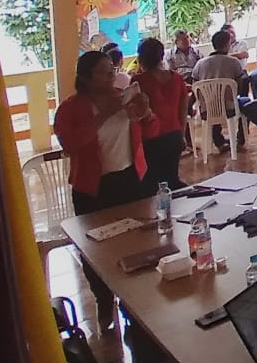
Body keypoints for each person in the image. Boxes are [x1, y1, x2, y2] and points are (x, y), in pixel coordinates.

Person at [53, 51, 153, 331]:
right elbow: (71, 144)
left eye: (112, 69)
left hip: (130, 179)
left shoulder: (124, 96)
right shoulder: (70, 109)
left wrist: (144, 111)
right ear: (86, 77)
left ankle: (133, 303)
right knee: (95, 250)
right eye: (103, 71)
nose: (111, 75)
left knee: (135, 242)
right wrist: (107, 112)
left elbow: (149, 126)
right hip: (93, 187)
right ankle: (104, 298)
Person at [130, 37, 190, 189]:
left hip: (151, 139)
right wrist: (182, 134)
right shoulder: (177, 78)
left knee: (152, 183)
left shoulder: (139, 81)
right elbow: (183, 109)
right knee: (172, 179)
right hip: (174, 134)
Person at [192, 29, 247, 151]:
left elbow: (195, 86)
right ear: (228, 44)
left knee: (213, 101)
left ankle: (219, 142)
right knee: (246, 102)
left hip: (206, 110)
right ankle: (240, 139)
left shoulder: (200, 64)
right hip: (229, 109)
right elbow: (238, 87)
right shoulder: (234, 62)